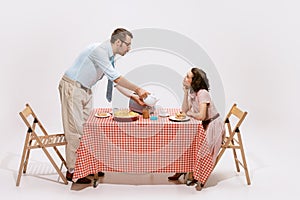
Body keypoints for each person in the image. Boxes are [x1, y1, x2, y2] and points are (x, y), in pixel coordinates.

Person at [58, 28, 149, 184]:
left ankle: (87, 166)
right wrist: (138, 89)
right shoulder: (99, 51)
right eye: (128, 44)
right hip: (73, 87)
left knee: (87, 128)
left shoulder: (109, 55)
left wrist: (132, 96)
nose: (129, 48)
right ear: (118, 42)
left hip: (85, 89)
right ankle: (73, 171)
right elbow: (117, 78)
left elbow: (113, 79)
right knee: (75, 130)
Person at [168, 67, 225, 187]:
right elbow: (184, 110)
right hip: (203, 125)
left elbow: (202, 116)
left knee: (200, 149)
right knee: (183, 141)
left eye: (188, 77)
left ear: (195, 81)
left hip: (213, 126)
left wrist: (190, 114)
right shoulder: (193, 92)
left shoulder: (203, 93)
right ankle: (182, 168)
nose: (185, 78)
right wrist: (185, 92)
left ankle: (195, 175)